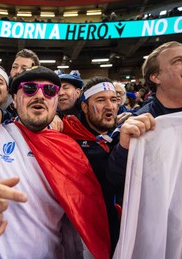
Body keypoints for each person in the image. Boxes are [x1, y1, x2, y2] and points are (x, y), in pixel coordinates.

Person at [0, 66, 125, 259]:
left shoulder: (70, 150)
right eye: (29, 88)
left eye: (50, 91)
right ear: (14, 101)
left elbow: (78, 228)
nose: (39, 95)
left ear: (55, 102)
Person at [61, 77, 155, 254]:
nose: (109, 106)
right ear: (84, 107)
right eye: (100, 100)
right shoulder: (68, 138)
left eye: (113, 100)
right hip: (86, 239)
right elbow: (108, 178)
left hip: (126, 232)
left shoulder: (124, 133)